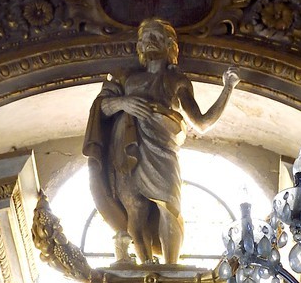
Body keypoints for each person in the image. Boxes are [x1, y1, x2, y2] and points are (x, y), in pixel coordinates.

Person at [83, 18, 238, 265]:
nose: (149, 43)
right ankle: (145, 265)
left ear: (169, 46)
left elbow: (201, 122)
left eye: (156, 37)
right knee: (135, 207)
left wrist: (227, 89)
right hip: (129, 147)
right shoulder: (126, 79)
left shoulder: (177, 82)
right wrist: (125, 103)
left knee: (170, 205)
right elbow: (102, 107)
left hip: (164, 147)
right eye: (145, 39)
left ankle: (171, 266)